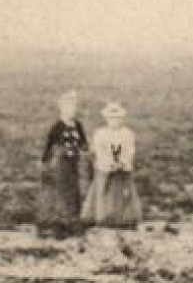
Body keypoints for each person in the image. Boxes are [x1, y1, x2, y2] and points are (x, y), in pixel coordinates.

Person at [81, 101, 142, 229]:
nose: (114, 121)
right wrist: (109, 163)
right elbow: (98, 150)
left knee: (123, 191)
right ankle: (103, 216)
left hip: (122, 168)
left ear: (121, 119)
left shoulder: (127, 133)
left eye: (117, 118)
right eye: (111, 118)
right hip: (105, 167)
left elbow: (130, 150)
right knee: (104, 190)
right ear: (106, 119)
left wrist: (122, 162)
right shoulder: (101, 133)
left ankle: (123, 218)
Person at [37, 91, 89, 237]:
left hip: (75, 162)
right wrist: (45, 160)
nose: (72, 111)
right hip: (61, 163)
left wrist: (84, 151)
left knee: (74, 189)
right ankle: (60, 222)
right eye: (69, 107)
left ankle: (73, 220)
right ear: (62, 109)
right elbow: (49, 144)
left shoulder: (78, 125)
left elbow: (84, 143)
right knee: (61, 190)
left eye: (74, 107)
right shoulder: (58, 126)